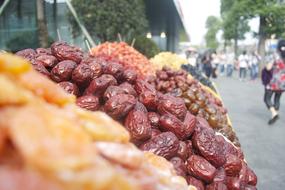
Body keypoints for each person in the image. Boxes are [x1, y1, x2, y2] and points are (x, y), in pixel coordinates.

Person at [262, 39, 285, 125]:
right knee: (277, 99)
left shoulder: (275, 55)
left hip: (273, 82)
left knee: (267, 98)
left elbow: (268, 67)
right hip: (283, 82)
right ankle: (275, 114)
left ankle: (274, 113)